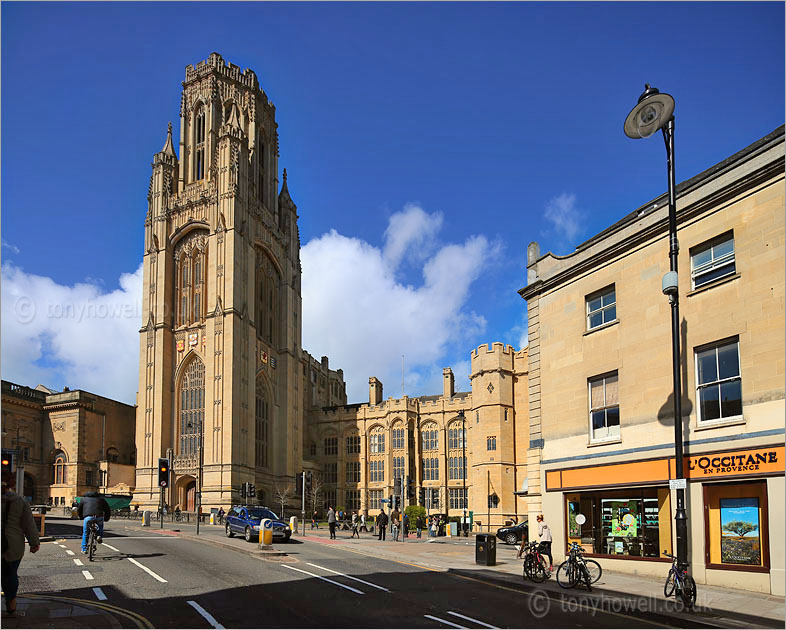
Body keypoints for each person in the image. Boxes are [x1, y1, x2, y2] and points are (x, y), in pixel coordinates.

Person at [2, 480, 40, 617]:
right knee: (10, 574)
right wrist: (34, 542)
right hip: (12, 544)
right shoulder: (19, 501)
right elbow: (28, 524)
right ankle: (11, 603)